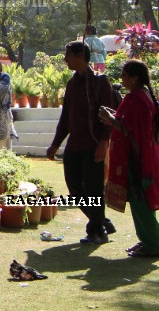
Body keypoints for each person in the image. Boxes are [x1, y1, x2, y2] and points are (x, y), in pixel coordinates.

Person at [47, 40, 118, 245]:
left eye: (68, 55)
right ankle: (101, 221)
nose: (65, 59)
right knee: (74, 187)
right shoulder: (72, 83)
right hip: (74, 145)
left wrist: (104, 142)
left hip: (93, 144)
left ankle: (97, 230)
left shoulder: (99, 81)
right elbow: (66, 117)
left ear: (80, 56)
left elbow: (109, 115)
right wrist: (55, 144)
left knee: (94, 189)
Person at [99, 59, 159, 256]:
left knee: (141, 201)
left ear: (134, 79)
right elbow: (131, 123)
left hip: (136, 158)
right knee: (140, 201)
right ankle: (147, 240)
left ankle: (154, 244)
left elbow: (130, 129)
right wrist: (115, 116)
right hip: (142, 155)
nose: (122, 79)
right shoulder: (142, 95)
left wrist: (110, 120)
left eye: (125, 75)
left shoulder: (136, 98)